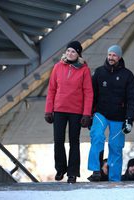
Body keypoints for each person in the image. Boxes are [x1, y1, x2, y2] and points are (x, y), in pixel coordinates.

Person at [87, 44, 134, 181]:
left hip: (119, 116)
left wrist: (129, 119)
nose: (111, 57)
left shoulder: (127, 75)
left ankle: (114, 180)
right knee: (97, 136)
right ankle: (95, 170)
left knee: (115, 147)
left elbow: (133, 99)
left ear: (119, 57)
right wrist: (88, 114)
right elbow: (91, 95)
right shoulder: (99, 72)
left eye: (114, 55)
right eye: (109, 54)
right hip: (100, 113)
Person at [44, 41, 93, 183]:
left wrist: (86, 114)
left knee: (74, 142)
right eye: (68, 51)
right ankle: (60, 169)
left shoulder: (84, 70)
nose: (70, 53)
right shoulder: (57, 67)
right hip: (59, 109)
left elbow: (88, 93)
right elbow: (52, 89)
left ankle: (72, 172)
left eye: (73, 51)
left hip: (76, 111)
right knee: (58, 140)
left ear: (78, 54)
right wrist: (48, 110)